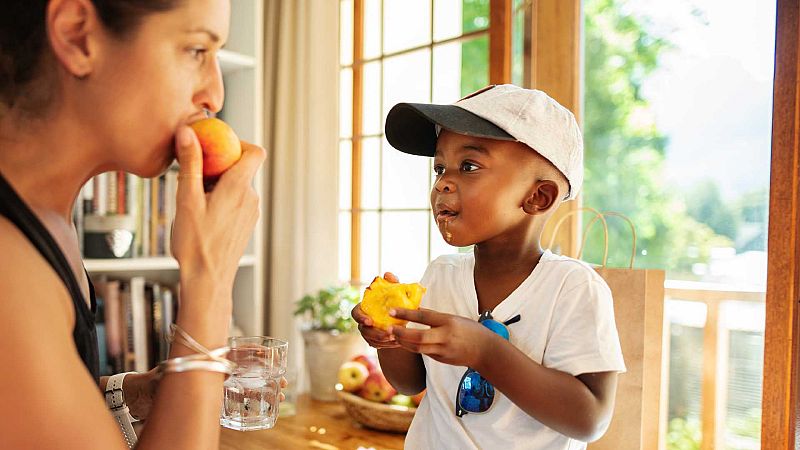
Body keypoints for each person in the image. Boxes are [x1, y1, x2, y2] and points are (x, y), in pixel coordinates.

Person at [0, 1, 275, 448]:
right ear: (77, 36)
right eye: (196, 50)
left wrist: (139, 393)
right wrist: (209, 285)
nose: (214, 96)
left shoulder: (44, 220)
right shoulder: (8, 268)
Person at [352, 84, 626, 449]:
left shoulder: (573, 288)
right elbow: (410, 383)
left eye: (469, 166)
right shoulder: (441, 274)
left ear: (537, 197)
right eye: (439, 168)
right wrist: (389, 337)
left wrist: (485, 351)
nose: (444, 183)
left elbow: (589, 419)